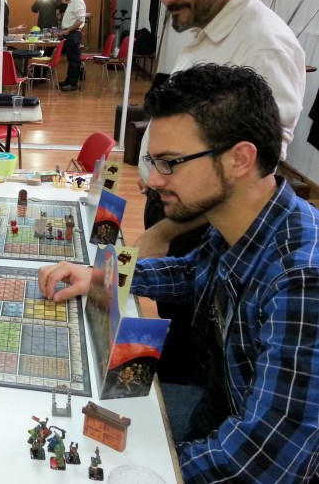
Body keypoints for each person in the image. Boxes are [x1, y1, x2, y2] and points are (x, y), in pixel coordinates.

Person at [39, 63, 319, 482]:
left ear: (240, 159)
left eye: (170, 162)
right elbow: (193, 271)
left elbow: (260, 462)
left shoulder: (302, 282)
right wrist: (101, 276)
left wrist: (141, 473)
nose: (151, 180)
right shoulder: (244, 219)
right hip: (217, 410)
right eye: (152, 160)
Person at [135, 0, 306, 384]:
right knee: (183, 354)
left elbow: (257, 170)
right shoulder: (206, 30)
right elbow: (195, 273)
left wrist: (166, 229)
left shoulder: (263, 45)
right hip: (192, 221)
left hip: (197, 221)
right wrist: (114, 272)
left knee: (207, 364)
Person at [58, 0, 86, 91]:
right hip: (70, 33)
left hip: (73, 33)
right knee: (71, 58)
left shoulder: (78, 1)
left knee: (74, 59)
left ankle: (72, 83)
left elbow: (80, 20)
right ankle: (68, 80)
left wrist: (68, 30)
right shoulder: (72, 2)